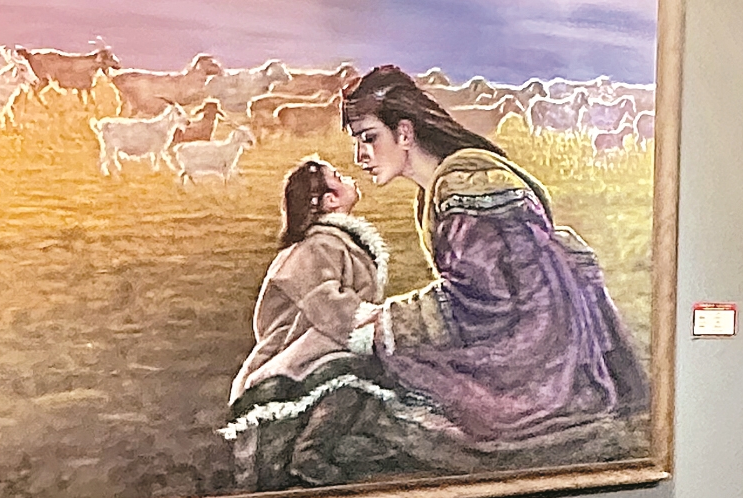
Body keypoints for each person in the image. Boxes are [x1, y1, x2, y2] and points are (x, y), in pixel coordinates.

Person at [343, 64, 649, 454]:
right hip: (530, 336)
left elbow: (486, 299)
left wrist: (388, 322)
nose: (360, 156)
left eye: (369, 138)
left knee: (382, 375)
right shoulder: (446, 185)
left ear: (404, 133)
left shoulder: (466, 187)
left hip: (533, 352)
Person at [229, 156, 386, 404]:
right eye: (338, 177)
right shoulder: (317, 246)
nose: (349, 178)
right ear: (330, 200)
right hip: (299, 358)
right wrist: (383, 327)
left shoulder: (331, 242)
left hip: (327, 344)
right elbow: (329, 306)